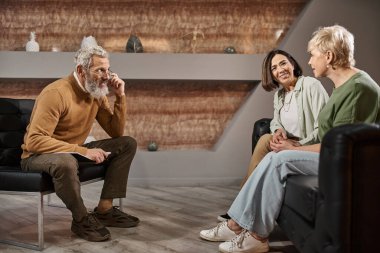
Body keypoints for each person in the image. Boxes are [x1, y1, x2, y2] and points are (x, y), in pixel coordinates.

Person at [200, 24, 380, 253]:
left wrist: (292, 148)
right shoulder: (343, 85)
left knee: (279, 159)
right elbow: (332, 138)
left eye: (313, 55)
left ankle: (256, 235)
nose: (311, 61)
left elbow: (339, 149)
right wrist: (285, 142)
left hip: (343, 163)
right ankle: (236, 224)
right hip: (331, 154)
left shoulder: (357, 88)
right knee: (272, 156)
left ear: (329, 56)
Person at [20, 45, 139, 242]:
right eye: (100, 70)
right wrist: (82, 150)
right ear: (81, 71)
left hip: (72, 152)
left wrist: (120, 96)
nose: (106, 76)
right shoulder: (56, 93)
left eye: (107, 69)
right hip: (36, 156)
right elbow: (34, 141)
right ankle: (81, 218)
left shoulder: (97, 93)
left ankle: (105, 210)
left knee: (127, 144)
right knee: (66, 162)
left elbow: (116, 132)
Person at [218, 49, 329, 222]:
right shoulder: (279, 95)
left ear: (292, 64)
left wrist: (296, 146)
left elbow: (323, 129)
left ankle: (238, 207)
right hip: (290, 141)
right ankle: (241, 207)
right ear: (272, 75)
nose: (280, 70)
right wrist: (278, 131)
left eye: (283, 63)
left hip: (309, 144)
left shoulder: (310, 85)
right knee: (265, 138)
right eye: (274, 68)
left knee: (264, 141)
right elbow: (276, 121)